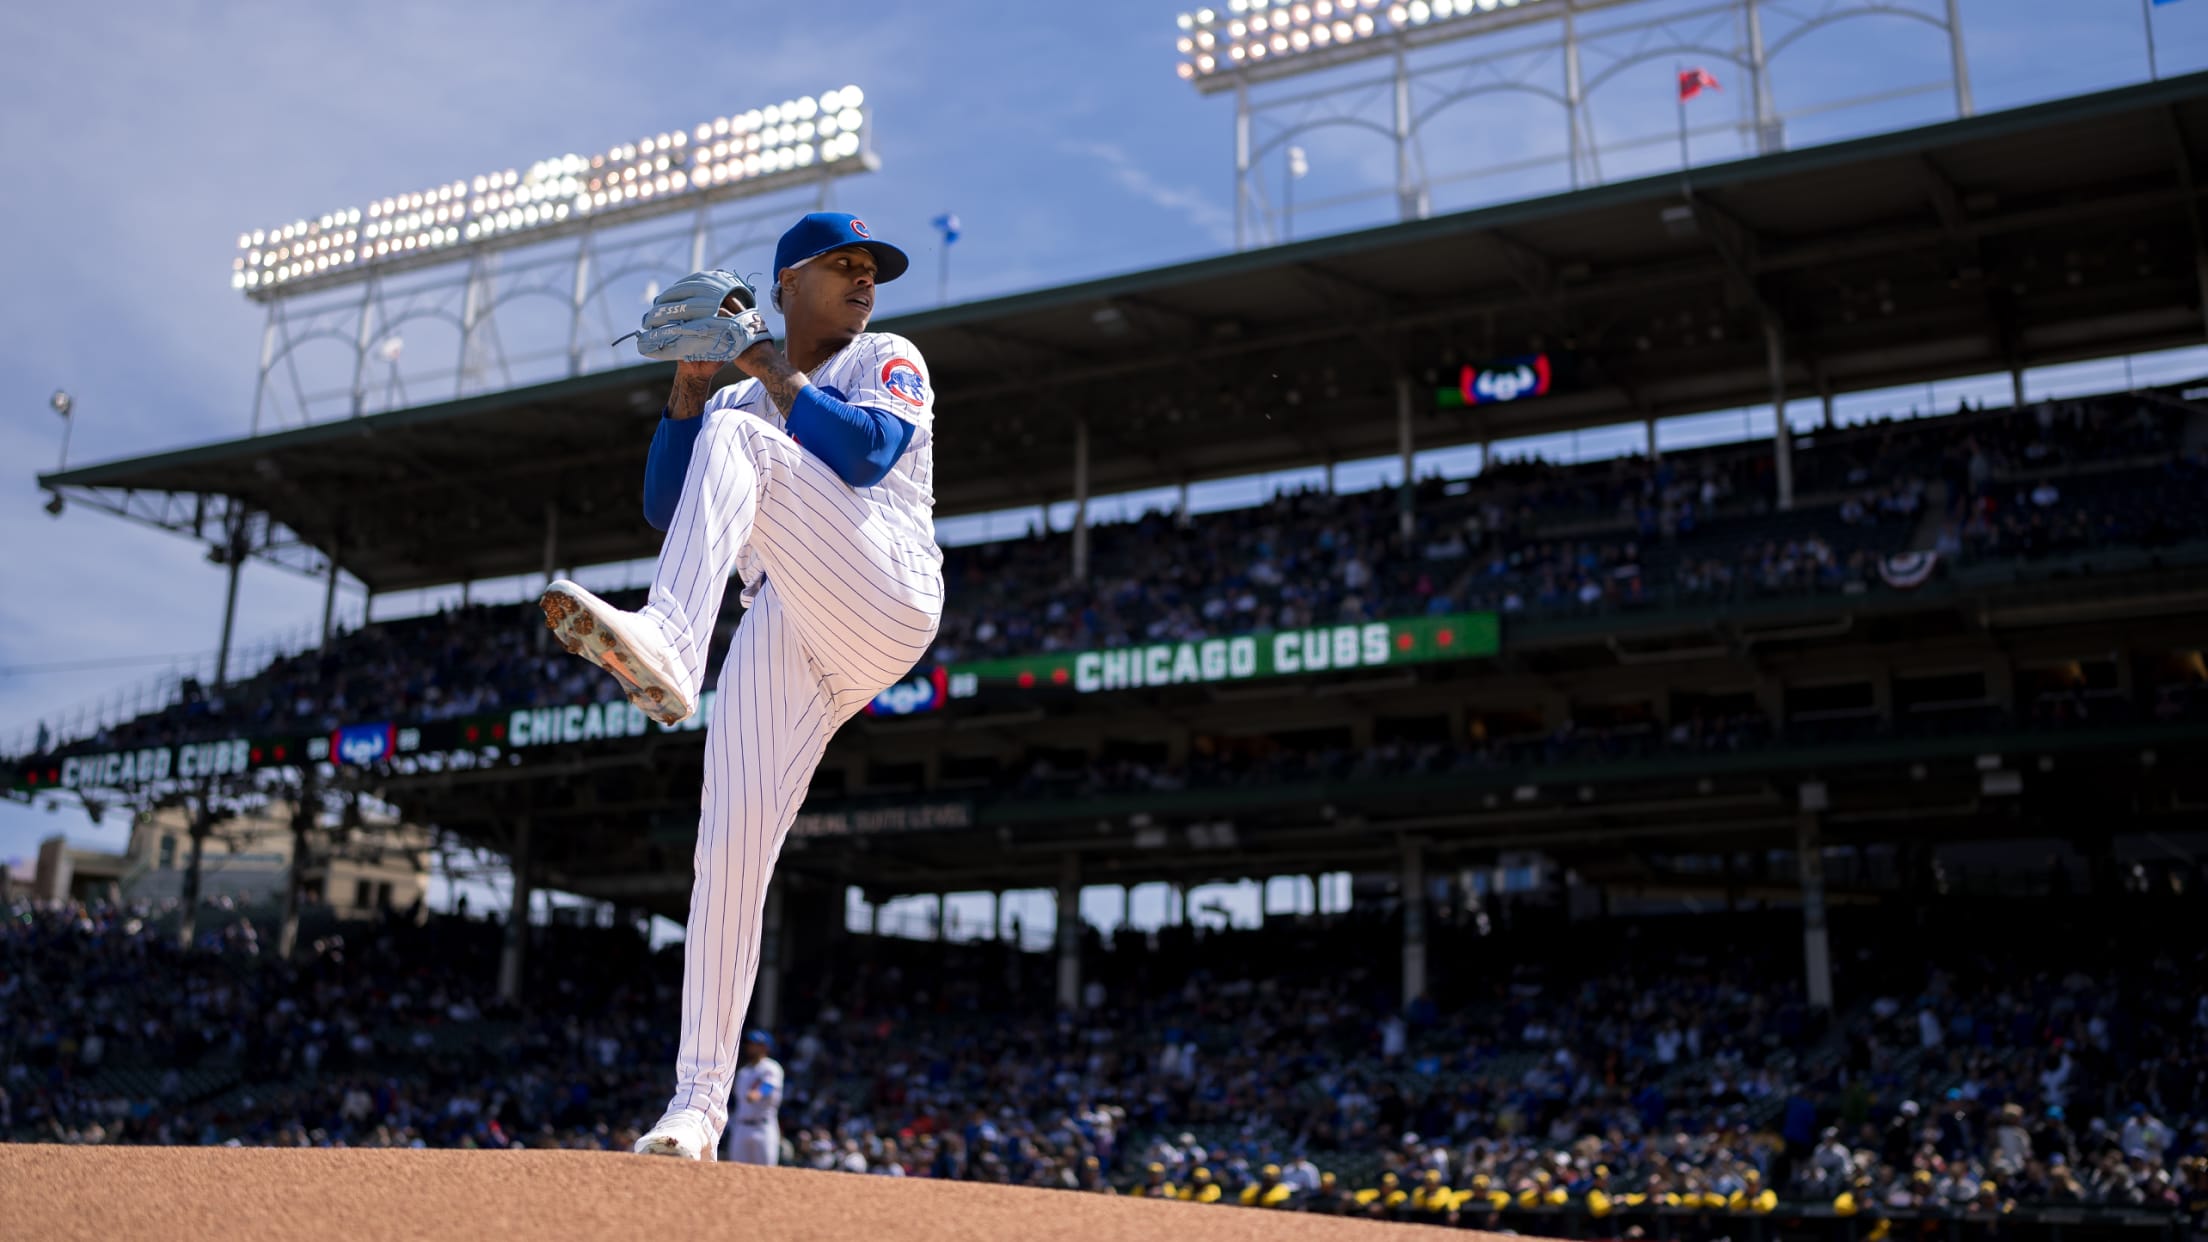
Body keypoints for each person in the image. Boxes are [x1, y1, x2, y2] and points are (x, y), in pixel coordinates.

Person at [539, 212, 943, 1160]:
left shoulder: (886, 353)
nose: (864, 281)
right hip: (784, 623)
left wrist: (766, 368)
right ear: (786, 283)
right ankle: (695, 1108)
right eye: (841, 267)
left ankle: (673, 639)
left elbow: (867, 456)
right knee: (728, 853)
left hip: (882, 588)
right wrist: (689, 389)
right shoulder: (731, 408)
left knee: (750, 443)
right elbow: (662, 509)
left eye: (869, 269)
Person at [724, 1030, 783, 1165]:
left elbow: (768, 1086)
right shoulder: (743, 1072)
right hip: (741, 1126)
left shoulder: (771, 1067)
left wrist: (758, 1093)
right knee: (736, 1169)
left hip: (763, 1127)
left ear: (765, 1047)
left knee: (765, 1172)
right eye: (750, 1044)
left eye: (756, 1044)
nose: (750, 1047)